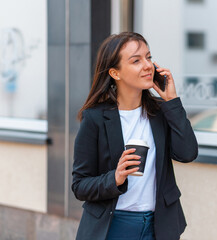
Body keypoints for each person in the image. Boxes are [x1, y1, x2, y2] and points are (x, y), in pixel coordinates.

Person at [72, 32, 198, 240]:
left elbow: (187, 153)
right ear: (115, 73)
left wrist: (172, 102)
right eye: (136, 60)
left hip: (159, 225)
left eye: (148, 57)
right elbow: (80, 185)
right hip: (113, 227)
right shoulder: (95, 118)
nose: (148, 65)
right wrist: (115, 177)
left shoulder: (160, 113)